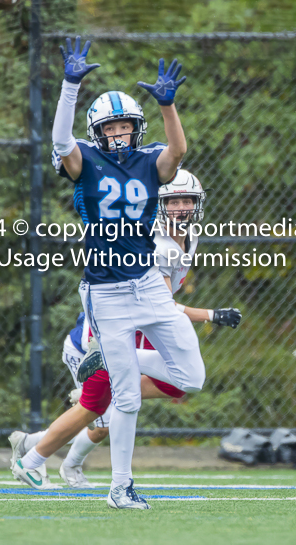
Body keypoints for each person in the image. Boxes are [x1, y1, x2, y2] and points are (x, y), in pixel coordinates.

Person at [45, 36, 205, 510]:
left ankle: (118, 369)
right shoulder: (85, 161)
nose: (118, 134)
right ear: (98, 132)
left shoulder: (147, 160)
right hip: (107, 290)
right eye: (110, 127)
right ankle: (120, 487)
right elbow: (59, 143)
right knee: (128, 400)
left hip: (148, 286)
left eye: (125, 126)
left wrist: (169, 106)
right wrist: (69, 87)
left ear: (137, 128)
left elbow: (177, 152)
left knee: (191, 376)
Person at [10, 172, 242, 489]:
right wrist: (211, 315)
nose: (181, 208)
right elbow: (161, 305)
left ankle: (38, 449)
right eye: (173, 201)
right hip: (97, 337)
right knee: (98, 412)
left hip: (132, 329)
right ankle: (34, 460)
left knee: (170, 387)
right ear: (159, 205)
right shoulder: (158, 244)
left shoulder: (187, 236)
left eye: (187, 200)